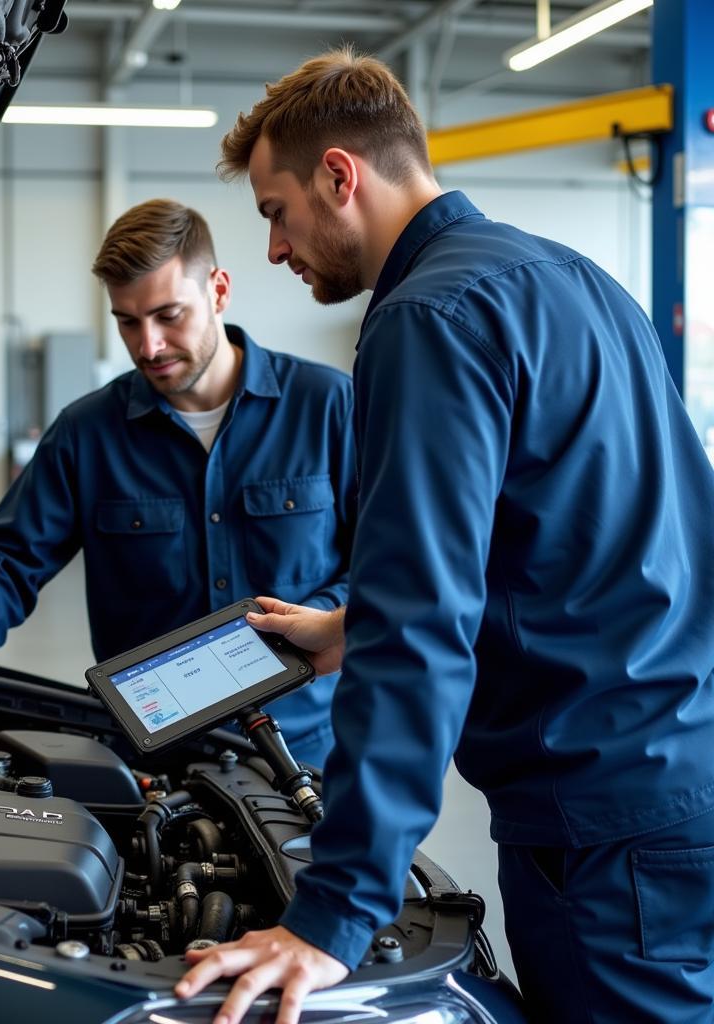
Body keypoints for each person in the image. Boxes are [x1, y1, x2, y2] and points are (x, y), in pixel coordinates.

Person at [174, 48, 714, 1024]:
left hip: (598, 826)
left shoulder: (425, 318)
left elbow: (421, 630)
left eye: (274, 212)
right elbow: (604, 531)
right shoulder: (569, 278)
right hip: (680, 778)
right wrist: (350, 622)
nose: (272, 251)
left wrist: (332, 914)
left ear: (340, 175)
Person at [0, 198, 356, 768]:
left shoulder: (328, 406)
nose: (148, 345)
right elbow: (6, 560)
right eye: (127, 321)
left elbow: (384, 561)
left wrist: (315, 620)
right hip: (154, 759)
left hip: (308, 745)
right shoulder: (87, 432)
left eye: (169, 315)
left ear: (218, 290)